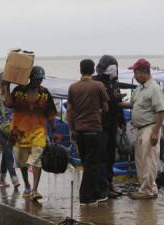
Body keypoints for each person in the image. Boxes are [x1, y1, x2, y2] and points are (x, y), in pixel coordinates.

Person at [3, 65, 57, 200]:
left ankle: (34, 190)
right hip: (19, 131)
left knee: (37, 159)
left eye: (41, 80)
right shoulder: (19, 91)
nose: (39, 82)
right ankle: (27, 186)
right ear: (30, 78)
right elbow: (9, 104)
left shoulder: (45, 93)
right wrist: (7, 86)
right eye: (37, 79)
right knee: (22, 162)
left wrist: (54, 131)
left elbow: (50, 114)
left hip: (38, 131)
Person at [67, 59, 109, 205]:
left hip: (79, 131)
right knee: (93, 164)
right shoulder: (98, 86)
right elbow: (106, 107)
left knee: (87, 163)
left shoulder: (73, 87)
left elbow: (69, 111)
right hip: (94, 130)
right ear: (93, 70)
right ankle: (85, 196)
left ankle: (96, 191)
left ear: (80, 70)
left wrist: (71, 129)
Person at [120, 58, 164, 199]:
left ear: (144, 72)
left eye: (136, 72)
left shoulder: (154, 89)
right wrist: (115, 102)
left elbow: (161, 111)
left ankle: (147, 191)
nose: (134, 76)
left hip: (150, 127)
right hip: (140, 128)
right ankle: (151, 188)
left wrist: (156, 132)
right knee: (141, 160)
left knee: (149, 160)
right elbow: (131, 104)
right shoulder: (139, 88)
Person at [93, 55, 125, 198]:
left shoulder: (115, 82)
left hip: (112, 124)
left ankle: (109, 183)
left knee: (111, 156)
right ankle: (101, 186)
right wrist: (114, 98)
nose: (114, 71)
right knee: (102, 156)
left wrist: (122, 120)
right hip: (100, 125)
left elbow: (117, 103)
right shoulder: (96, 82)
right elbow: (100, 101)